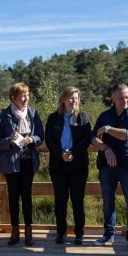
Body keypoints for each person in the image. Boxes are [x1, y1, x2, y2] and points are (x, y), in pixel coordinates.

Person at [91, 83, 128, 252]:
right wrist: (106, 149)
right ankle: (108, 234)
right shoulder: (104, 115)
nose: (125, 100)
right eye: (121, 97)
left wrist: (108, 129)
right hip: (107, 166)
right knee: (108, 202)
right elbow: (93, 138)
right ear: (113, 98)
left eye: (127, 96)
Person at [0, 82, 44, 246]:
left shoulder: (33, 114)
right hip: (11, 163)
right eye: (22, 95)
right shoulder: (3, 115)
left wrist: (32, 139)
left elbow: (40, 136)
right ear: (13, 98)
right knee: (13, 197)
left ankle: (29, 233)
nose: (26, 98)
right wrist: (9, 140)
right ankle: (15, 233)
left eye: (27, 94)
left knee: (27, 197)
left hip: (29, 161)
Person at [45, 86, 92, 245]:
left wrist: (73, 153)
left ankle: (79, 233)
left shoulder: (83, 117)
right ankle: (61, 233)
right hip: (58, 165)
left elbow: (86, 140)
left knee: (78, 200)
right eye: (71, 98)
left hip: (78, 165)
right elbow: (49, 140)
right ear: (63, 99)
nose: (74, 101)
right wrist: (61, 154)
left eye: (77, 98)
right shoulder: (53, 118)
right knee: (60, 200)